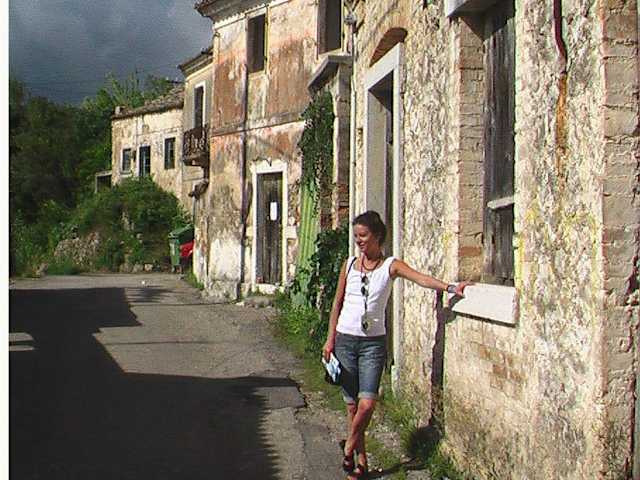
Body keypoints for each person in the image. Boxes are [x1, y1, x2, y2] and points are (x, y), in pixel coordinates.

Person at [322, 211, 471, 479]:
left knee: (367, 404)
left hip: (373, 344)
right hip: (345, 340)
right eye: (356, 236)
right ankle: (361, 463)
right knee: (353, 407)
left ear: (378, 235)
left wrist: (450, 288)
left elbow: (420, 278)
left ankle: (348, 448)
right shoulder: (350, 264)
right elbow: (337, 302)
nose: (359, 241)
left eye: (363, 236)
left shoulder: (390, 266)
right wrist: (330, 338)